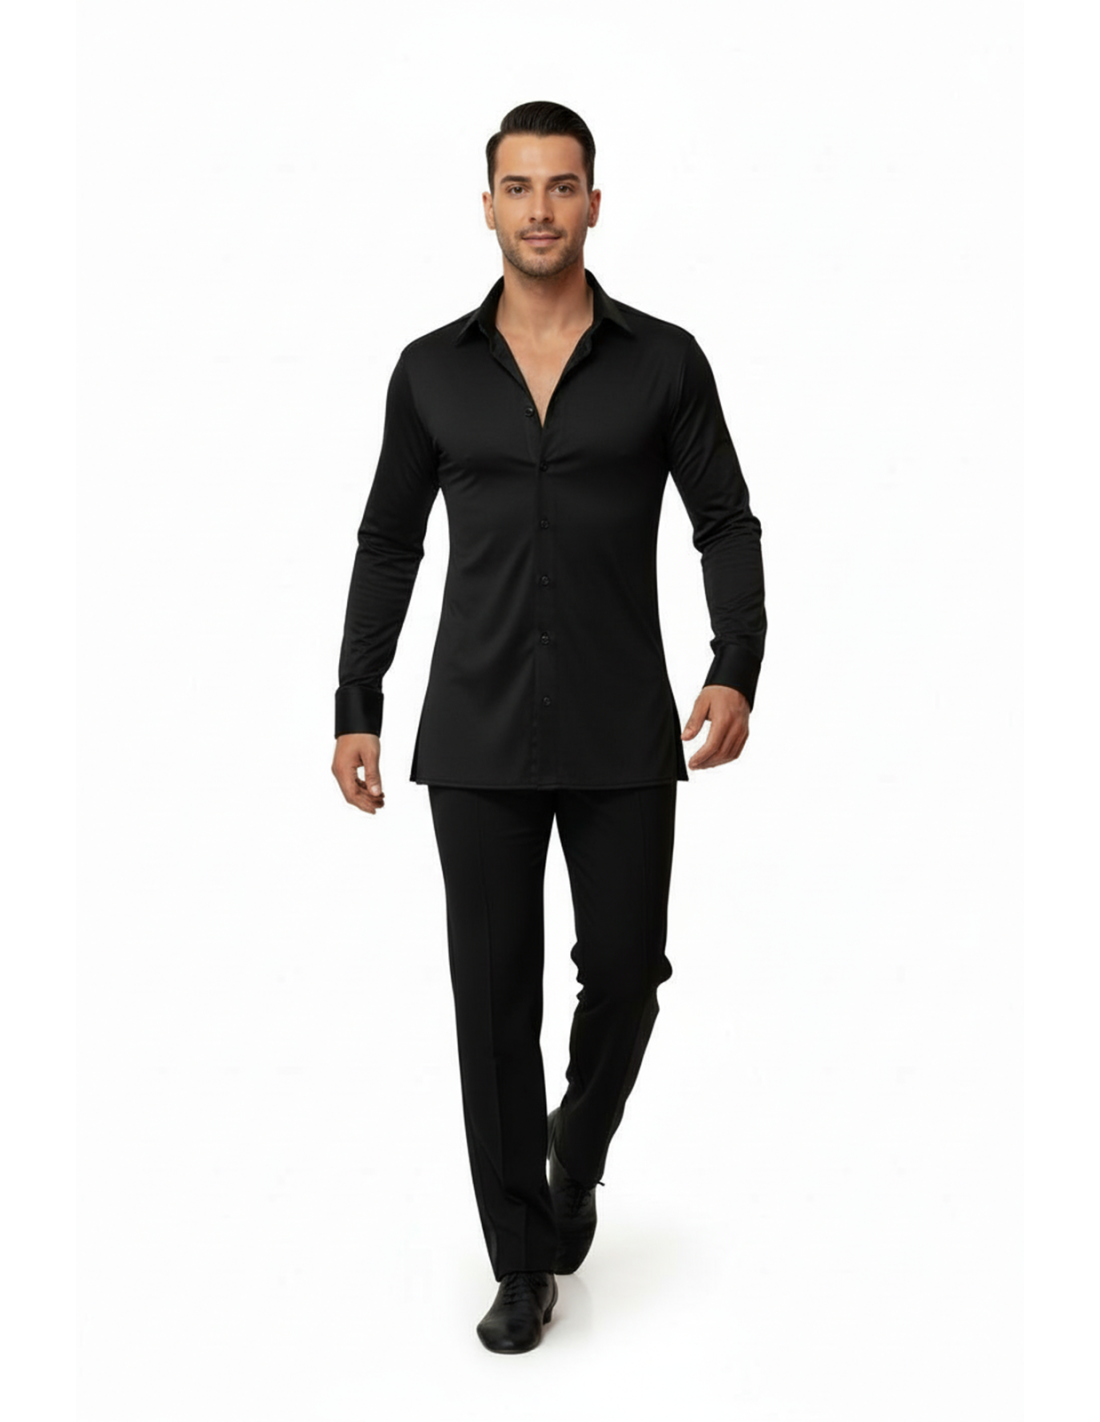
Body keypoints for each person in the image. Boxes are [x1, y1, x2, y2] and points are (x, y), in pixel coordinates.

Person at [331, 100, 767, 1353]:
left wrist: (734, 664)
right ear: (486, 207)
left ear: (592, 202)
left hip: (622, 725)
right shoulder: (429, 371)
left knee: (625, 975)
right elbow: (388, 542)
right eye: (516, 188)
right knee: (490, 1003)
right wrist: (357, 703)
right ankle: (520, 1264)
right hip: (472, 735)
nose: (538, 210)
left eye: (560, 186)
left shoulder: (662, 361)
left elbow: (724, 520)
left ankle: (574, 1153)